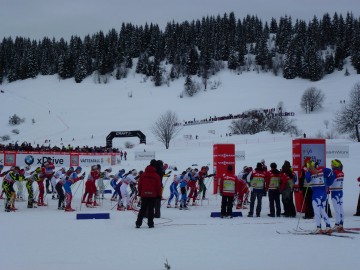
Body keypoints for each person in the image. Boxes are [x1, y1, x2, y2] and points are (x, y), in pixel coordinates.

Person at [304, 159, 334, 234]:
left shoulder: (309, 172)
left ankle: (318, 228)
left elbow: (307, 180)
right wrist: (328, 182)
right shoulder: (321, 169)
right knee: (322, 210)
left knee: (317, 211)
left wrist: (308, 172)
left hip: (317, 193)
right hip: (323, 193)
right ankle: (328, 226)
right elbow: (330, 171)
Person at [135, 160, 162, 228]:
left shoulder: (143, 174)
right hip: (153, 195)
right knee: (151, 209)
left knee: (142, 209)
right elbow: (158, 187)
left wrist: (140, 192)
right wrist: (159, 195)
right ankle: (150, 224)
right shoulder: (156, 176)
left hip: (144, 194)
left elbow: (139, 185)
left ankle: (138, 223)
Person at [329, 159, 345, 232]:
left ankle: (337, 224)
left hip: (335, 192)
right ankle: (341, 224)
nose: (331, 166)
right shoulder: (341, 172)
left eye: (332, 165)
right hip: (340, 191)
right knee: (341, 208)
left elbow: (330, 182)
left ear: (335, 165)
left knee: (337, 209)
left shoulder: (334, 172)